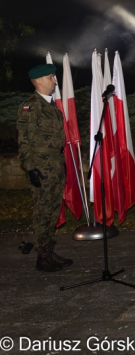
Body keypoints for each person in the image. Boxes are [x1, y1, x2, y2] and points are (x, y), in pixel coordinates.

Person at [16, 63, 72, 272]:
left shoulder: (51, 105)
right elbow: (24, 141)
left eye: (54, 76)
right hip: (40, 166)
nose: (54, 80)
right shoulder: (30, 106)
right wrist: (31, 169)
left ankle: (48, 251)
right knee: (42, 211)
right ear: (39, 80)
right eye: (51, 77)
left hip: (55, 165)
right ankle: (42, 256)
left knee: (53, 209)